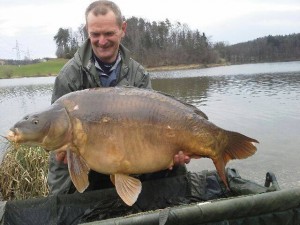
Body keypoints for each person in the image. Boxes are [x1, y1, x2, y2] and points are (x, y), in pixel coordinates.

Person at [48, 0, 190, 195]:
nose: (102, 41)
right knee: (66, 202)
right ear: (87, 30)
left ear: (123, 29)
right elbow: (56, 135)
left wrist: (170, 153)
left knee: (176, 168)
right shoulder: (69, 76)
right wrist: (59, 155)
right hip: (87, 163)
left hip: (128, 154)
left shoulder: (138, 74)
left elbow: (152, 126)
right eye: (95, 34)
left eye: (109, 33)